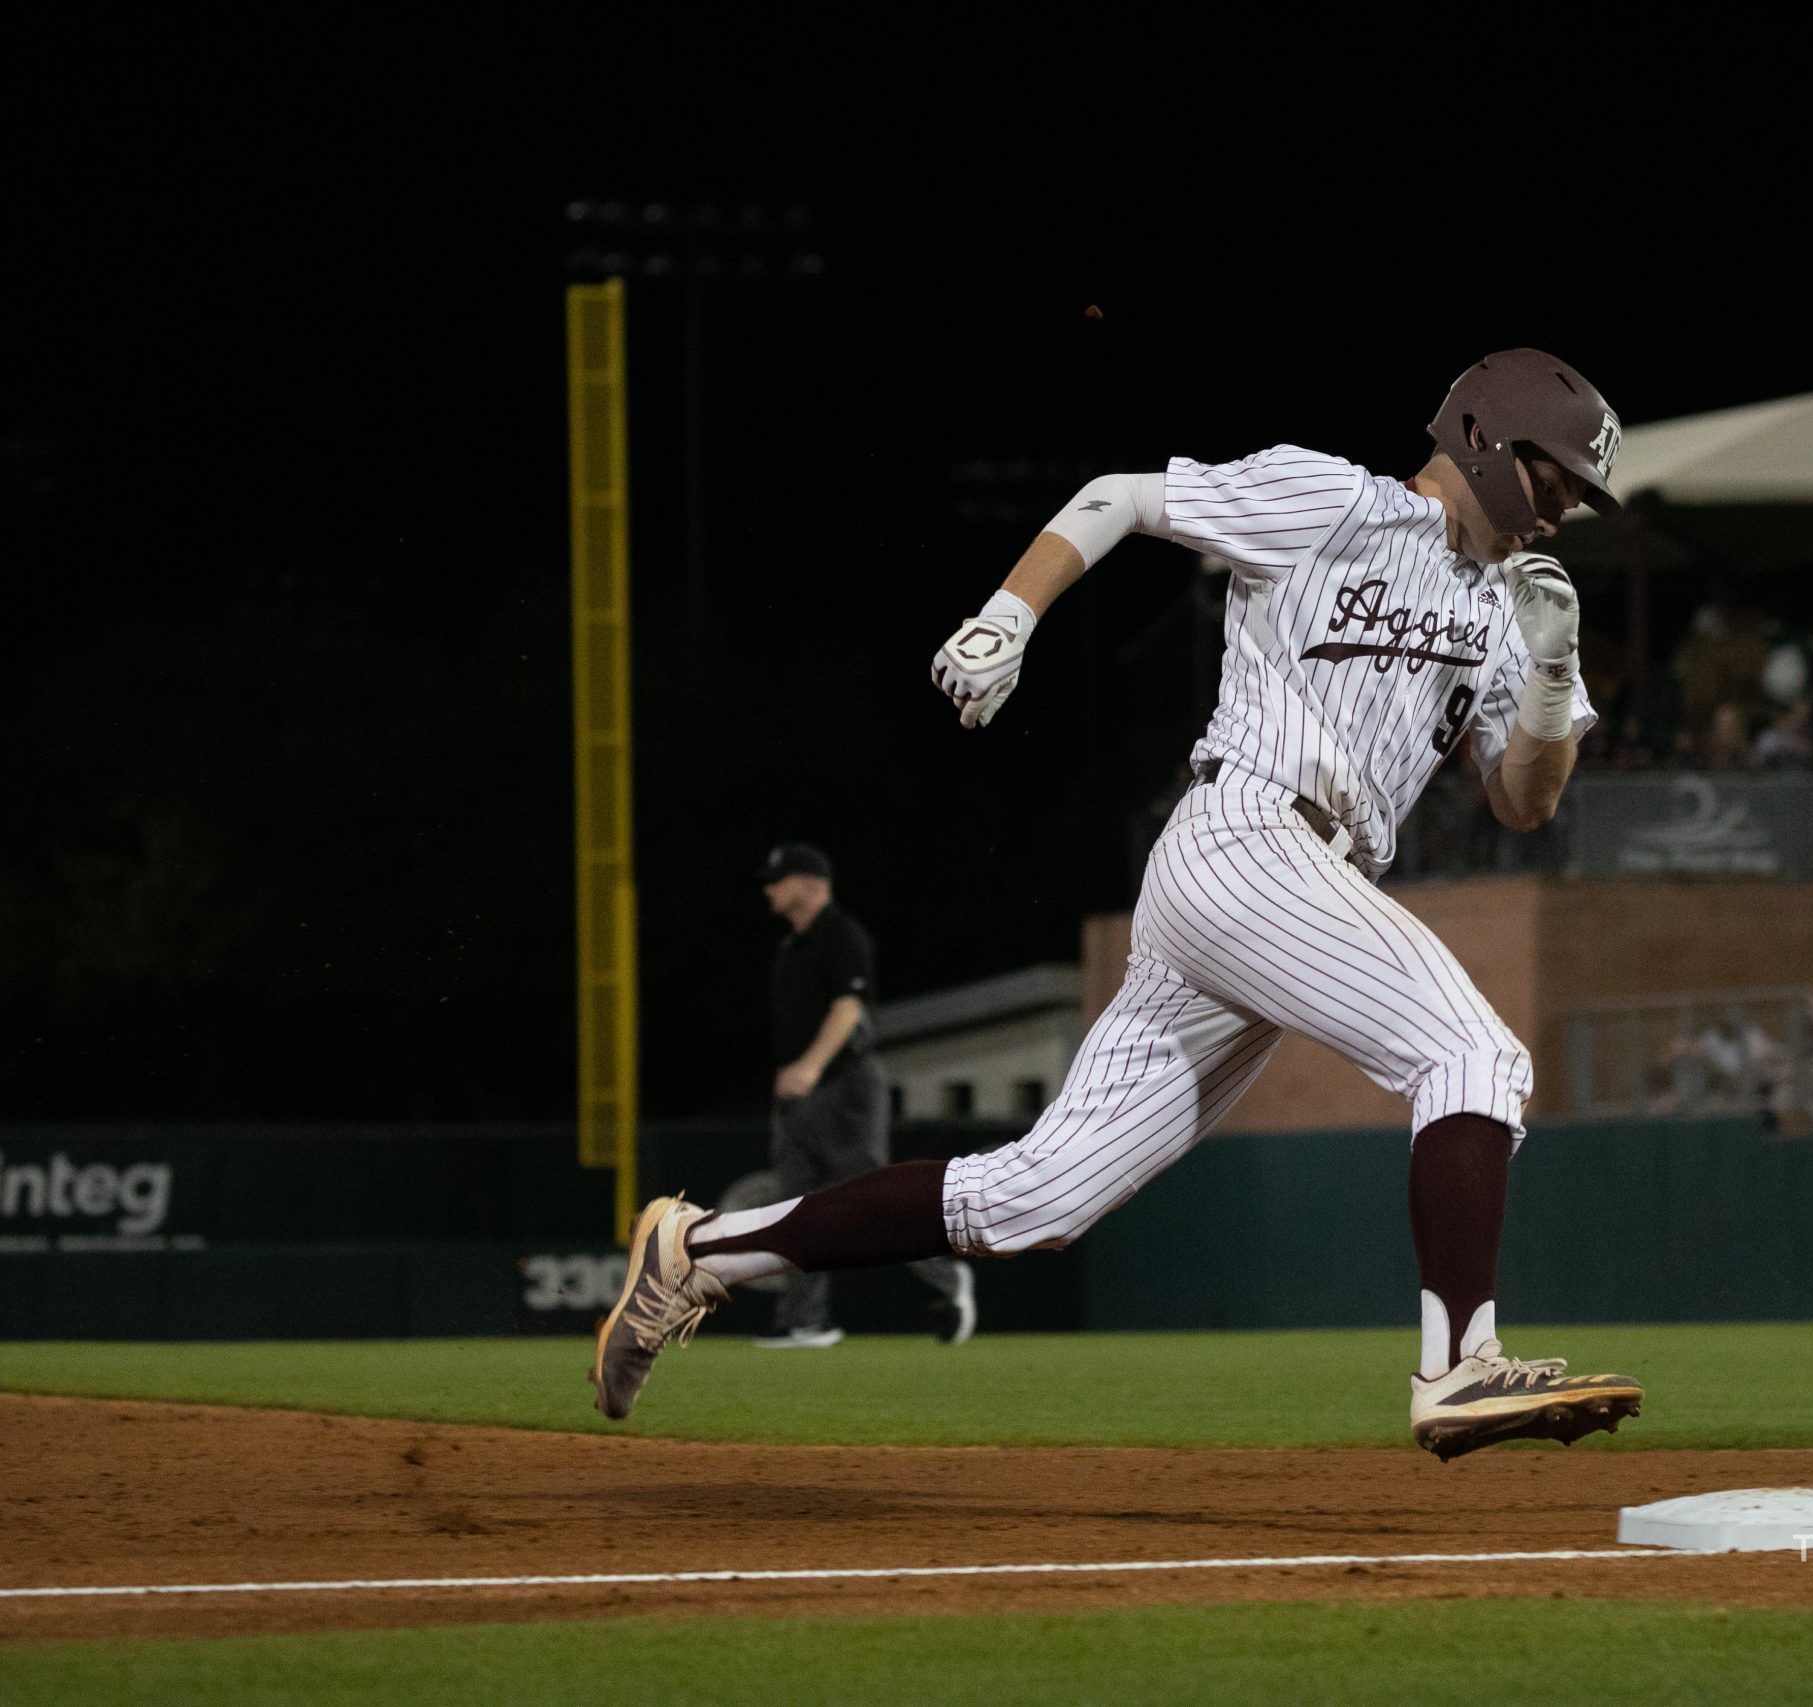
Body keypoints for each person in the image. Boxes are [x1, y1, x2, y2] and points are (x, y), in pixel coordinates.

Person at [591, 350, 1644, 1459]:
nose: (1565, 509)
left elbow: (1524, 804)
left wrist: (1545, 674)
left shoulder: (1509, 609)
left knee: (1032, 1200)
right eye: (1557, 478)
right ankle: (1459, 1367)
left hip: (1294, 890)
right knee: (1473, 1055)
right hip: (1245, 836)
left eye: (1578, 492)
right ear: (1483, 436)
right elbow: (1121, 501)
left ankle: (702, 1250)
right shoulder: (1337, 499)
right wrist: (1011, 613)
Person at [752, 843, 976, 1350]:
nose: (768, 889)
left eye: (777, 879)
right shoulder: (791, 947)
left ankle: (947, 1280)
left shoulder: (841, 934)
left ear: (808, 883)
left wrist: (809, 1066)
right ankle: (805, 1321)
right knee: (795, 1210)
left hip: (845, 1086)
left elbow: (849, 1008)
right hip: (798, 1097)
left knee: (872, 1204)